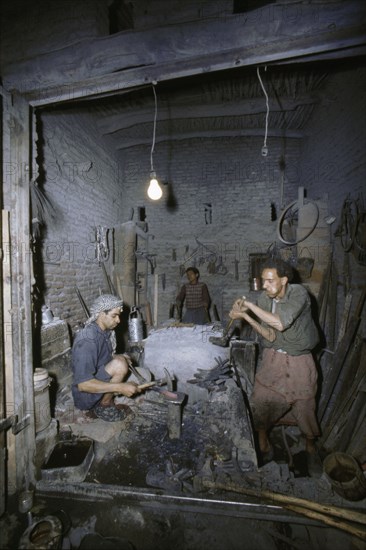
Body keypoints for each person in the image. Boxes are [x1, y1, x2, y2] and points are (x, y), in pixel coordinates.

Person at [229, 257, 320, 465]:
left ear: (284, 280)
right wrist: (246, 316)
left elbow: (280, 323)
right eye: (263, 280)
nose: (264, 285)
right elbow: (269, 335)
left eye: (270, 280)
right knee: (261, 399)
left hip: (299, 360)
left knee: (305, 405)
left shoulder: (298, 293)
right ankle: (263, 443)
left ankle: (310, 444)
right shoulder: (264, 299)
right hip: (273, 358)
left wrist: (249, 305)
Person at [71, 294, 141, 422]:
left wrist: (118, 356)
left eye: (118, 315)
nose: (118, 320)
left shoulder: (105, 332)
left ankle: (105, 400)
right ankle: (103, 406)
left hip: (96, 378)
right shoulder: (87, 340)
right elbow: (83, 385)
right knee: (120, 365)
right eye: (114, 316)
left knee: (121, 361)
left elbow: (103, 356)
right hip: (85, 395)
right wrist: (120, 387)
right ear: (101, 314)